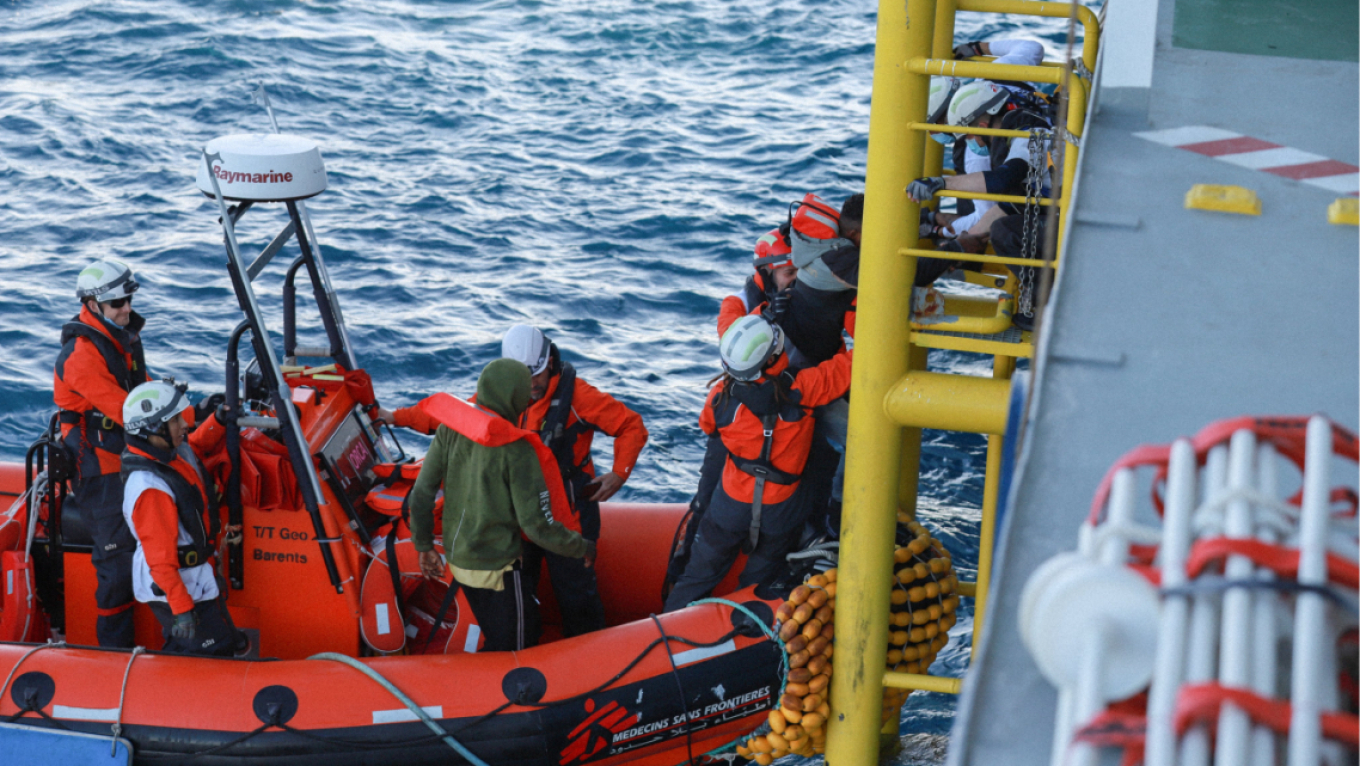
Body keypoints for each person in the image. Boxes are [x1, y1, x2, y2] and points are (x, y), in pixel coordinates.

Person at [664, 315, 852, 612]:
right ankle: (741, 636)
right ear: (774, 357)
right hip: (782, 508)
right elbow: (853, 364)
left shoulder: (720, 398)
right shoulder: (806, 388)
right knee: (756, 582)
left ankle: (668, 635)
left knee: (696, 578)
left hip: (731, 503)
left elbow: (708, 426)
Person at [406, 358, 595, 651]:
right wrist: (580, 547)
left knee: (508, 626)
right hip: (497, 571)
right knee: (518, 644)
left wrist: (423, 544)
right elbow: (537, 527)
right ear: (517, 399)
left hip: (458, 562)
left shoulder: (449, 429)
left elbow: (421, 493)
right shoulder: (518, 450)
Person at [500, 324, 648, 637]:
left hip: (570, 518)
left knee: (577, 598)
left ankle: (590, 661)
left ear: (549, 363)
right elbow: (459, 417)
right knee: (516, 596)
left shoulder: (578, 397)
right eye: (523, 379)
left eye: (536, 376)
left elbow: (631, 426)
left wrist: (619, 473)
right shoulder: (504, 392)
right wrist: (397, 417)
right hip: (522, 517)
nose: (531, 387)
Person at [54, 258, 150, 648]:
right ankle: (113, 653)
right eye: (117, 304)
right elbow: (127, 410)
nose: (126, 309)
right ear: (94, 305)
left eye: (128, 300)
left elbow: (141, 394)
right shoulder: (82, 356)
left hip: (124, 454)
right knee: (116, 560)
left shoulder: (120, 337)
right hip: (97, 464)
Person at [120, 379, 245, 656]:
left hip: (192, 575)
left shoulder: (169, 454)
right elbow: (159, 560)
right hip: (174, 585)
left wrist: (220, 420)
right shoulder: (151, 488)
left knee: (195, 646)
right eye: (175, 420)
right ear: (152, 428)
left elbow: (195, 448)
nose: (185, 425)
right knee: (212, 652)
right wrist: (182, 608)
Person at [907, 79, 1054, 254]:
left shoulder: (1028, 138)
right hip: (1061, 205)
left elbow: (1002, 179)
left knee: (1004, 232)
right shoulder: (1015, 138)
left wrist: (941, 183)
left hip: (1074, 209)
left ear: (983, 127)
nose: (969, 142)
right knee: (1002, 226)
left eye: (967, 136)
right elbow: (1002, 210)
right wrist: (956, 244)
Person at [717, 226, 798, 339]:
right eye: (790, 273)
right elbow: (732, 348)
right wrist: (767, 315)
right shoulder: (736, 304)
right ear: (766, 274)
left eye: (803, 271)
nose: (798, 279)